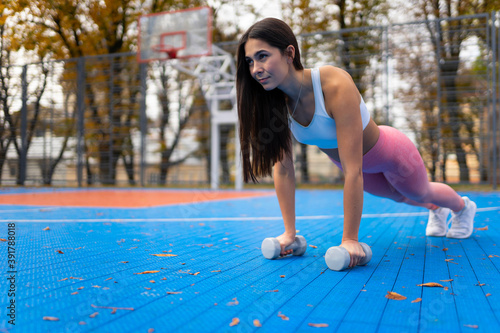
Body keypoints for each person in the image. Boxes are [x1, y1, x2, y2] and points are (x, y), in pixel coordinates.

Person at [236, 18, 477, 268]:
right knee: (401, 197)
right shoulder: (275, 105)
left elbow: (353, 169)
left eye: (263, 56)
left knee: (419, 191)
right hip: (358, 167)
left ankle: (462, 208)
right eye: (250, 61)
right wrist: (289, 233)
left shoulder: (333, 83)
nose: (255, 69)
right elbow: (284, 169)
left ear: (289, 53)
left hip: (391, 152)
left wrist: (350, 239)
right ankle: (436, 209)